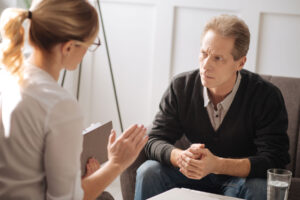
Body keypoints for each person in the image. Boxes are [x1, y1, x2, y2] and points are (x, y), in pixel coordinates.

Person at [0, 0, 148, 200]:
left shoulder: (8, 77)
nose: (87, 52)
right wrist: (117, 164)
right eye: (90, 44)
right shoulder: (59, 104)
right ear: (68, 47)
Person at [134, 14, 290, 200]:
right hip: (189, 176)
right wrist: (181, 157)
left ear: (240, 63)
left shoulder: (266, 96)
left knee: (259, 187)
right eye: (204, 54)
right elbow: (153, 140)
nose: (205, 65)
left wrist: (217, 165)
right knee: (149, 171)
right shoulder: (181, 87)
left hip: (240, 181)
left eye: (218, 58)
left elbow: (275, 159)